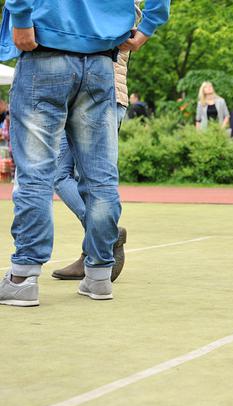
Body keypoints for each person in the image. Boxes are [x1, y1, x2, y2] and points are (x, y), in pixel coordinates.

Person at [0, 0, 170, 307]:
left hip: (45, 45)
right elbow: (158, 5)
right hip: (101, 61)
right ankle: (99, 276)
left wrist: (21, 17)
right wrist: (149, 25)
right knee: (101, 177)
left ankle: (23, 278)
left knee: (36, 175)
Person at [51, 0, 144, 282]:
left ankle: (105, 236)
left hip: (104, 96)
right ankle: (93, 248)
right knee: (68, 175)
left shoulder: (115, 9)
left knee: (85, 178)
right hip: (86, 95)